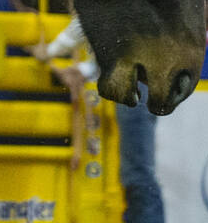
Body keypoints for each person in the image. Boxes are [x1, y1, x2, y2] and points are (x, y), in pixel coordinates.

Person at [32, 14, 165, 223]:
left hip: (135, 77)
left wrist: (49, 51)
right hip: (138, 73)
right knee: (136, 172)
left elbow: (88, 18)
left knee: (137, 173)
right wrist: (87, 69)